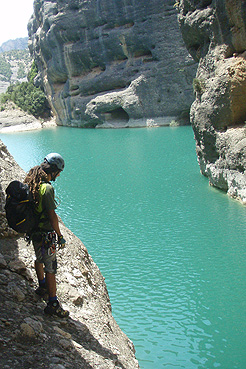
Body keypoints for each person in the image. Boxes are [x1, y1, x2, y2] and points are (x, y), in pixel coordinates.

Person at [24, 153, 69, 318]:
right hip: (46, 234)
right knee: (51, 268)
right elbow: (52, 215)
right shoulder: (47, 188)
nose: (59, 175)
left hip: (34, 232)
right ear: (54, 170)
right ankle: (53, 303)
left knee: (39, 259)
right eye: (59, 172)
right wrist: (59, 235)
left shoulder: (32, 182)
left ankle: (42, 286)